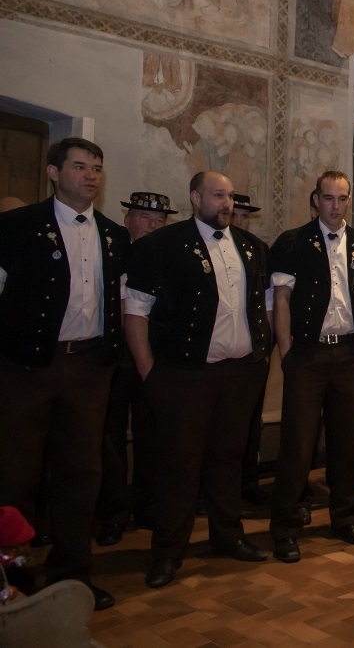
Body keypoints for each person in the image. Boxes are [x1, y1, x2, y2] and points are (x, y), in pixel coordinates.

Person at [125, 172, 273, 589]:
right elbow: (135, 311)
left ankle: (228, 536)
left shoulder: (252, 247)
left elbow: (264, 305)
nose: (227, 203)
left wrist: (260, 356)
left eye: (230, 196)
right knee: (180, 465)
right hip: (185, 376)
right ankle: (168, 552)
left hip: (239, 373)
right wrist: (150, 374)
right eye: (218, 195)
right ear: (195, 197)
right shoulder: (163, 245)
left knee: (228, 459)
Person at [0, 137, 129, 611]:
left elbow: (118, 301)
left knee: (81, 472)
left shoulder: (113, 235)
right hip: (26, 367)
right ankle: (12, 579)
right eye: (79, 166)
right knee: (16, 474)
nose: (90, 175)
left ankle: (73, 575)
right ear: (54, 173)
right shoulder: (17, 226)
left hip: (89, 367)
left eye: (96, 168)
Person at [268, 171, 354, 563]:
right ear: (316, 199)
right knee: (298, 444)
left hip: (351, 356)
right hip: (307, 356)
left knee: (350, 442)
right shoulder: (293, 242)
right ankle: (285, 528)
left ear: (349, 200)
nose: (336, 206)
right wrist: (287, 351)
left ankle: (346, 518)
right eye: (329, 198)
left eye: (342, 198)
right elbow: (280, 299)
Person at [96, 192, 176, 547]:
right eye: (145, 218)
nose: (152, 226)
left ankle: (148, 506)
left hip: (153, 360)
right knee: (109, 439)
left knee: (153, 437)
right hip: (112, 360)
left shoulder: (167, 261)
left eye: (159, 221)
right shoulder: (111, 256)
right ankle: (113, 513)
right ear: (127, 220)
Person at [230, 193, 271, 507]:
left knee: (250, 422)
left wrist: (266, 344)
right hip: (218, 353)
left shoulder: (258, 249)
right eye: (236, 215)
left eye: (245, 217)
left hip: (252, 351)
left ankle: (248, 481)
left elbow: (268, 302)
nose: (240, 222)